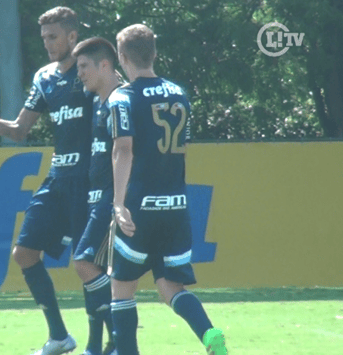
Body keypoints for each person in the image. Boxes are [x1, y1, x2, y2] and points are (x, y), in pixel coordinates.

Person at [0, 7, 114, 355]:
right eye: (44, 37)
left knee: (87, 266)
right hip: (58, 179)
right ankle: (60, 337)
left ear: (72, 37)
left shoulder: (92, 71)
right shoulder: (45, 77)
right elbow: (19, 131)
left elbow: (120, 105)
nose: (48, 44)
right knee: (23, 254)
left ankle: (104, 343)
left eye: (54, 36)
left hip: (89, 181)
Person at [108, 24, 227, 355]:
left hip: (139, 206)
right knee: (170, 285)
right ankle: (208, 334)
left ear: (121, 57)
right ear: (155, 54)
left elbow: (123, 149)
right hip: (175, 204)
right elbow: (182, 148)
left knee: (122, 289)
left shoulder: (122, 97)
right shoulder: (179, 93)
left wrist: (118, 203)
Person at [72, 37, 123, 355]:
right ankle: (107, 342)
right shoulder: (97, 101)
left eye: (83, 67)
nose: (79, 74)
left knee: (84, 263)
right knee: (101, 271)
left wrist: (120, 200)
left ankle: (120, 336)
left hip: (113, 197)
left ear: (105, 65)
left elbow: (129, 152)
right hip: (95, 196)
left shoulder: (122, 99)